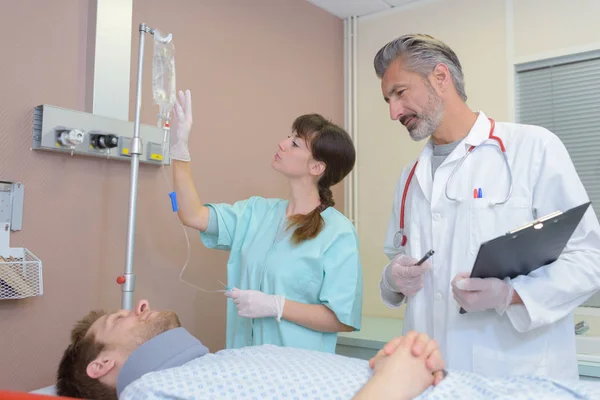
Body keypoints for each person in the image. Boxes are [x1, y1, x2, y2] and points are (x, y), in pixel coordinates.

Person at [374, 33, 600, 379]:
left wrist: (510, 295)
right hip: (431, 377)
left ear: (440, 77)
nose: (393, 112)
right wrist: (393, 277)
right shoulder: (410, 177)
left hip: (515, 377)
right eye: (388, 99)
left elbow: (589, 259)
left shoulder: (532, 148)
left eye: (400, 93)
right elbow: (397, 258)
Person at [53, 300, 600, 400]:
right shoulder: (154, 389)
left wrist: (388, 367)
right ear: (104, 366)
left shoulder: (219, 364)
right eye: (118, 317)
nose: (139, 304)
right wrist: (394, 381)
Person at [169, 90, 363, 353]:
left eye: (295, 143)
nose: (283, 143)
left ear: (317, 167)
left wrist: (277, 306)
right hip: (244, 365)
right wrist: (180, 150)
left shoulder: (338, 232)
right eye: (289, 137)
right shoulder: (256, 213)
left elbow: (342, 318)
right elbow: (192, 214)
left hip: (297, 374)